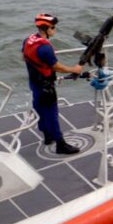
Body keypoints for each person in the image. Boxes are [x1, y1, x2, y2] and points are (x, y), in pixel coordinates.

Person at [22, 13, 84, 155]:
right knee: (51, 114)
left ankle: (47, 136)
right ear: (45, 29)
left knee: (39, 109)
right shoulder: (45, 48)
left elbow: (23, 57)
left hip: (34, 83)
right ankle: (60, 144)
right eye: (53, 27)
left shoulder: (28, 40)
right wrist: (74, 69)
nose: (55, 29)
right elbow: (57, 67)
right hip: (46, 86)